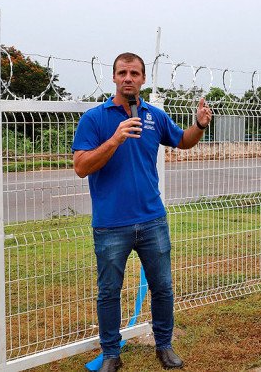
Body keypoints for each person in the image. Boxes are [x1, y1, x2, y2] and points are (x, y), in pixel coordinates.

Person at [72, 52, 212, 371]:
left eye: (134, 73)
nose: (128, 78)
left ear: (143, 79)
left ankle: (164, 346)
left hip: (152, 221)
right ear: (114, 78)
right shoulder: (95, 119)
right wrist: (115, 139)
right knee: (109, 291)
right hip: (111, 225)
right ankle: (111, 354)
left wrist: (200, 125)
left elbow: (182, 141)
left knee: (162, 287)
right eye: (122, 72)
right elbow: (81, 166)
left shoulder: (154, 116)